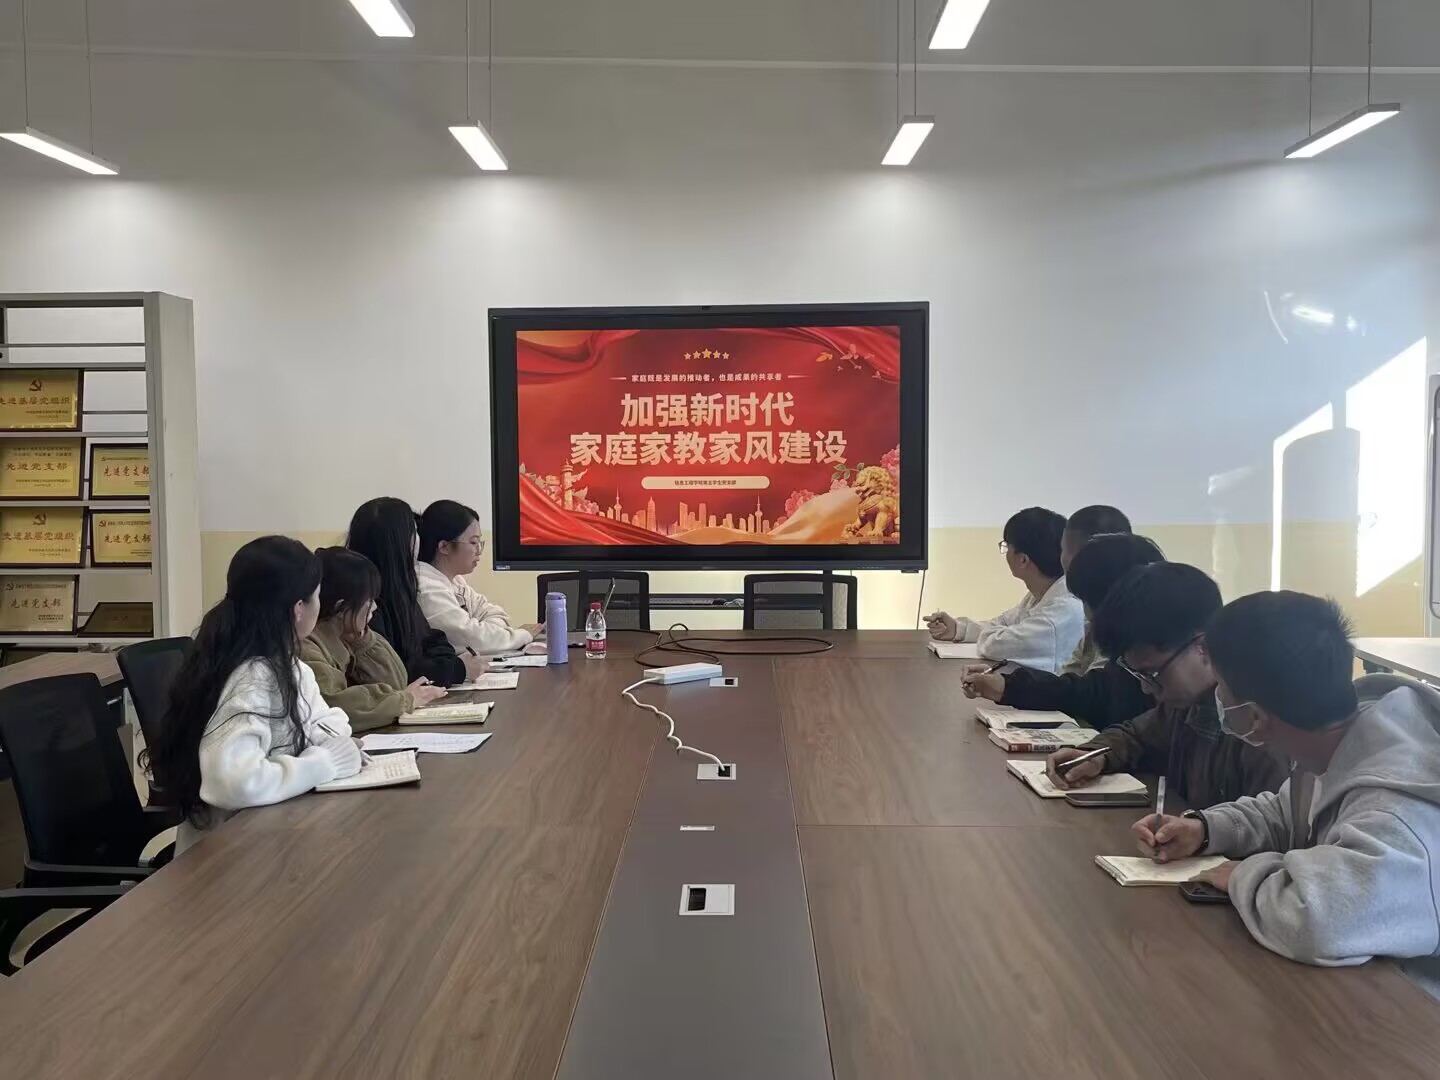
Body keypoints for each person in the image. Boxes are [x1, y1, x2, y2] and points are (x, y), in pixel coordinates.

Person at [1134, 591, 1440, 998]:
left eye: (1221, 687)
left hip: (1411, 1012)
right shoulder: (1334, 740)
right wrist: (1204, 830)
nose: (1217, 697)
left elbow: (1319, 920)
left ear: (1255, 716)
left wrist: (1242, 875)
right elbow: (1288, 812)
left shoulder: (1395, 809)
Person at [146, 536, 363, 853]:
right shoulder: (253, 677)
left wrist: (325, 743)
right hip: (227, 857)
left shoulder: (287, 666)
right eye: (317, 596)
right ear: (298, 609)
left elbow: (328, 721)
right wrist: (325, 761)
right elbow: (233, 783)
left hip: (268, 837)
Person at [1044, 562, 1286, 806]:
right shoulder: (1184, 706)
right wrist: (1095, 756)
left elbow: (1269, 822)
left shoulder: (1257, 729)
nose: (1146, 688)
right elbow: (1134, 735)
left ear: (1203, 647)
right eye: (1139, 675)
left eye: (1153, 673)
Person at [961, 532, 1162, 730]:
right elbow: (1075, 683)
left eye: (1085, 601)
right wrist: (1006, 685)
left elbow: (1091, 695)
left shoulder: (1143, 659)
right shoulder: (1116, 639)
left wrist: (1008, 687)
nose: (1086, 614)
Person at [301, 547, 449, 731]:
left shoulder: (345, 636)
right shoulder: (308, 648)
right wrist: (406, 700)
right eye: (369, 599)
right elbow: (337, 707)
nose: (375, 607)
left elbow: (396, 683)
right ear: (341, 608)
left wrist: (362, 639)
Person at [925, 507, 1084, 673]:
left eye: (1007, 547)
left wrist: (993, 634)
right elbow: (1003, 623)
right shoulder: (1041, 593)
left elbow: (997, 645)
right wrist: (959, 629)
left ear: (1023, 560)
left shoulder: (1063, 611)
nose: (1005, 553)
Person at [347, 497, 482, 687]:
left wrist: (449, 666)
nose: (419, 540)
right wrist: (456, 669)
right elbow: (395, 671)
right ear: (400, 543)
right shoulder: (366, 604)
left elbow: (434, 641)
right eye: (414, 532)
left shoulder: (401, 588)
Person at [415, 500, 542, 656]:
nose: (479, 550)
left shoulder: (455, 581)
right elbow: (474, 640)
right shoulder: (426, 588)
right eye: (473, 542)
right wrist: (523, 635)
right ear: (444, 547)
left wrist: (489, 633)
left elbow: (496, 615)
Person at [1057, 505, 1133, 673]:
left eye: (1064, 550)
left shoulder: (1127, 620)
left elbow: (1098, 683)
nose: (1061, 558)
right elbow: (1070, 674)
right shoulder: (1095, 608)